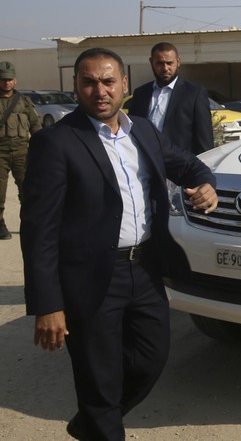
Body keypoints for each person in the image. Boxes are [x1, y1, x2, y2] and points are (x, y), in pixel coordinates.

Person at [21, 48, 218, 440]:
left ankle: (93, 421)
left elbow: (190, 164)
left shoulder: (142, 130)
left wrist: (207, 183)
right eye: (89, 82)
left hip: (144, 269)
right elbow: (38, 230)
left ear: (124, 85)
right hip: (91, 278)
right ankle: (102, 421)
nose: (100, 91)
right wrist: (48, 304)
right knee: (99, 375)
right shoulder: (56, 142)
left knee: (151, 358)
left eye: (108, 81)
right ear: (76, 86)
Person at [128, 42, 213, 154]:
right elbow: (132, 131)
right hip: (146, 163)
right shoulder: (141, 94)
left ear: (178, 62)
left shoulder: (194, 94)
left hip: (180, 166)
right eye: (160, 63)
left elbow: (204, 141)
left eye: (169, 63)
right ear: (151, 62)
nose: (165, 68)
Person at [0, 61, 41, 240]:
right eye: (3, 80)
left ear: (15, 81)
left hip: (22, 153)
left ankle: (29, 223)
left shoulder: (24, 102)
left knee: (27, 189)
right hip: (0, 153)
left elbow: (35, 126)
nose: (6, 83)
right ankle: (0, 224)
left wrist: (41, 150)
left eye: (9, 80)